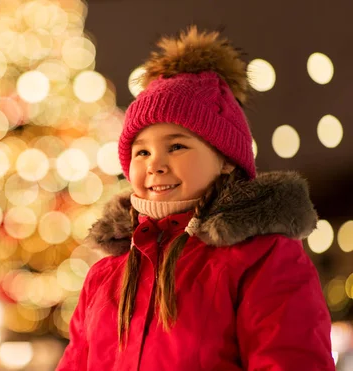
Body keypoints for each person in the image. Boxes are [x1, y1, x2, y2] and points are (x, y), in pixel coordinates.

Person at [56, 26, 334, 370]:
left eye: (176, 146)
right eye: (141, 152)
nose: (155, 164)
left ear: (226, 158)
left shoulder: (261, 258)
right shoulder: (105, 276)